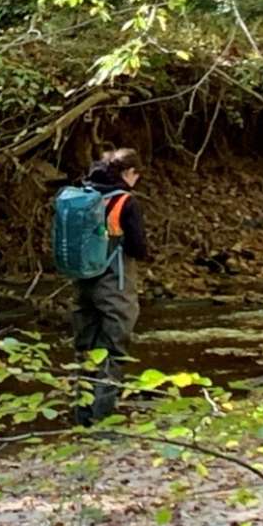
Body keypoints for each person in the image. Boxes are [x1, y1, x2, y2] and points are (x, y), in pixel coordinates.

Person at [71, 147, 148, 426]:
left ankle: (80, 417)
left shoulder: (82, 195)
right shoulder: (125, 202)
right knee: (113, 349)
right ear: (129, 173)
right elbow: (138, 247)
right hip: (114, 284)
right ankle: (102, 421)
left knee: (84, 350)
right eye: (136, 175)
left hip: (82, 283)